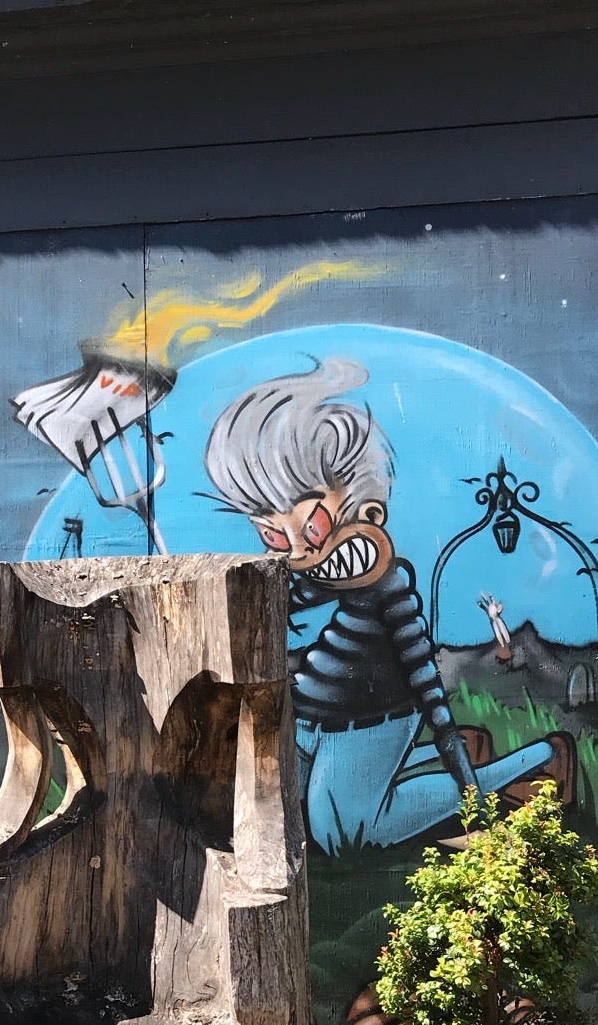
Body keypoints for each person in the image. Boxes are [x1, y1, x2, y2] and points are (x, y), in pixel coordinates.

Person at [202, 358, 572, 855]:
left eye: (310, 527)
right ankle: (457, 760)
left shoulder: (390, 588)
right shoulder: (324, 581)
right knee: (290, 811)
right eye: (274, 535)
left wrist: (449, 741)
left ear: (367, 510)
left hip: (373, 717)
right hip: (309, 716)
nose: (297, 549)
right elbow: (306, 592)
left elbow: (419, 668)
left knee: (343, 837)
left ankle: (541, 759)